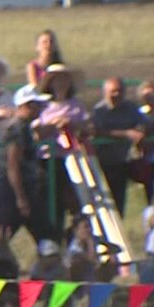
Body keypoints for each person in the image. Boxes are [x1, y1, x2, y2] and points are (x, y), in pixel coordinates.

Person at [33, 64, 91, 235]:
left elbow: (87, 126)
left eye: (64, 79)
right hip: (49, 160)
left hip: (74, 158)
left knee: (77, 200)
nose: (61, 83)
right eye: (57, 79)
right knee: (53, 202)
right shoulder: (43, 107)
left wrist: (71, 124)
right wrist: (52, 125)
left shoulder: (77, 105)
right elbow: (36, 131)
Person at [1, 85, 54, 243]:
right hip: (18, 191)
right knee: (4, 235)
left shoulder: (25, 128)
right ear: (28, 105)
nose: (40, 110)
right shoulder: (17, 129)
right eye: (37, 105)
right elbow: (13, 164)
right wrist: (20, 197)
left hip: (27, 189)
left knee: (45, 235)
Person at [91, 77, 145, 217]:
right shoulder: (99, 110)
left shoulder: (130, 108)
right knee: (103, 204)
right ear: (105, 92)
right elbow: (98, 131)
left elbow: (143, 123)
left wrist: (141, 130)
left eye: (120, 91)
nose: (116, 95)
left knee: (119, 204)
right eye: (113, 91)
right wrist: (126, 134)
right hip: (103, 162)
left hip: (122, 161)